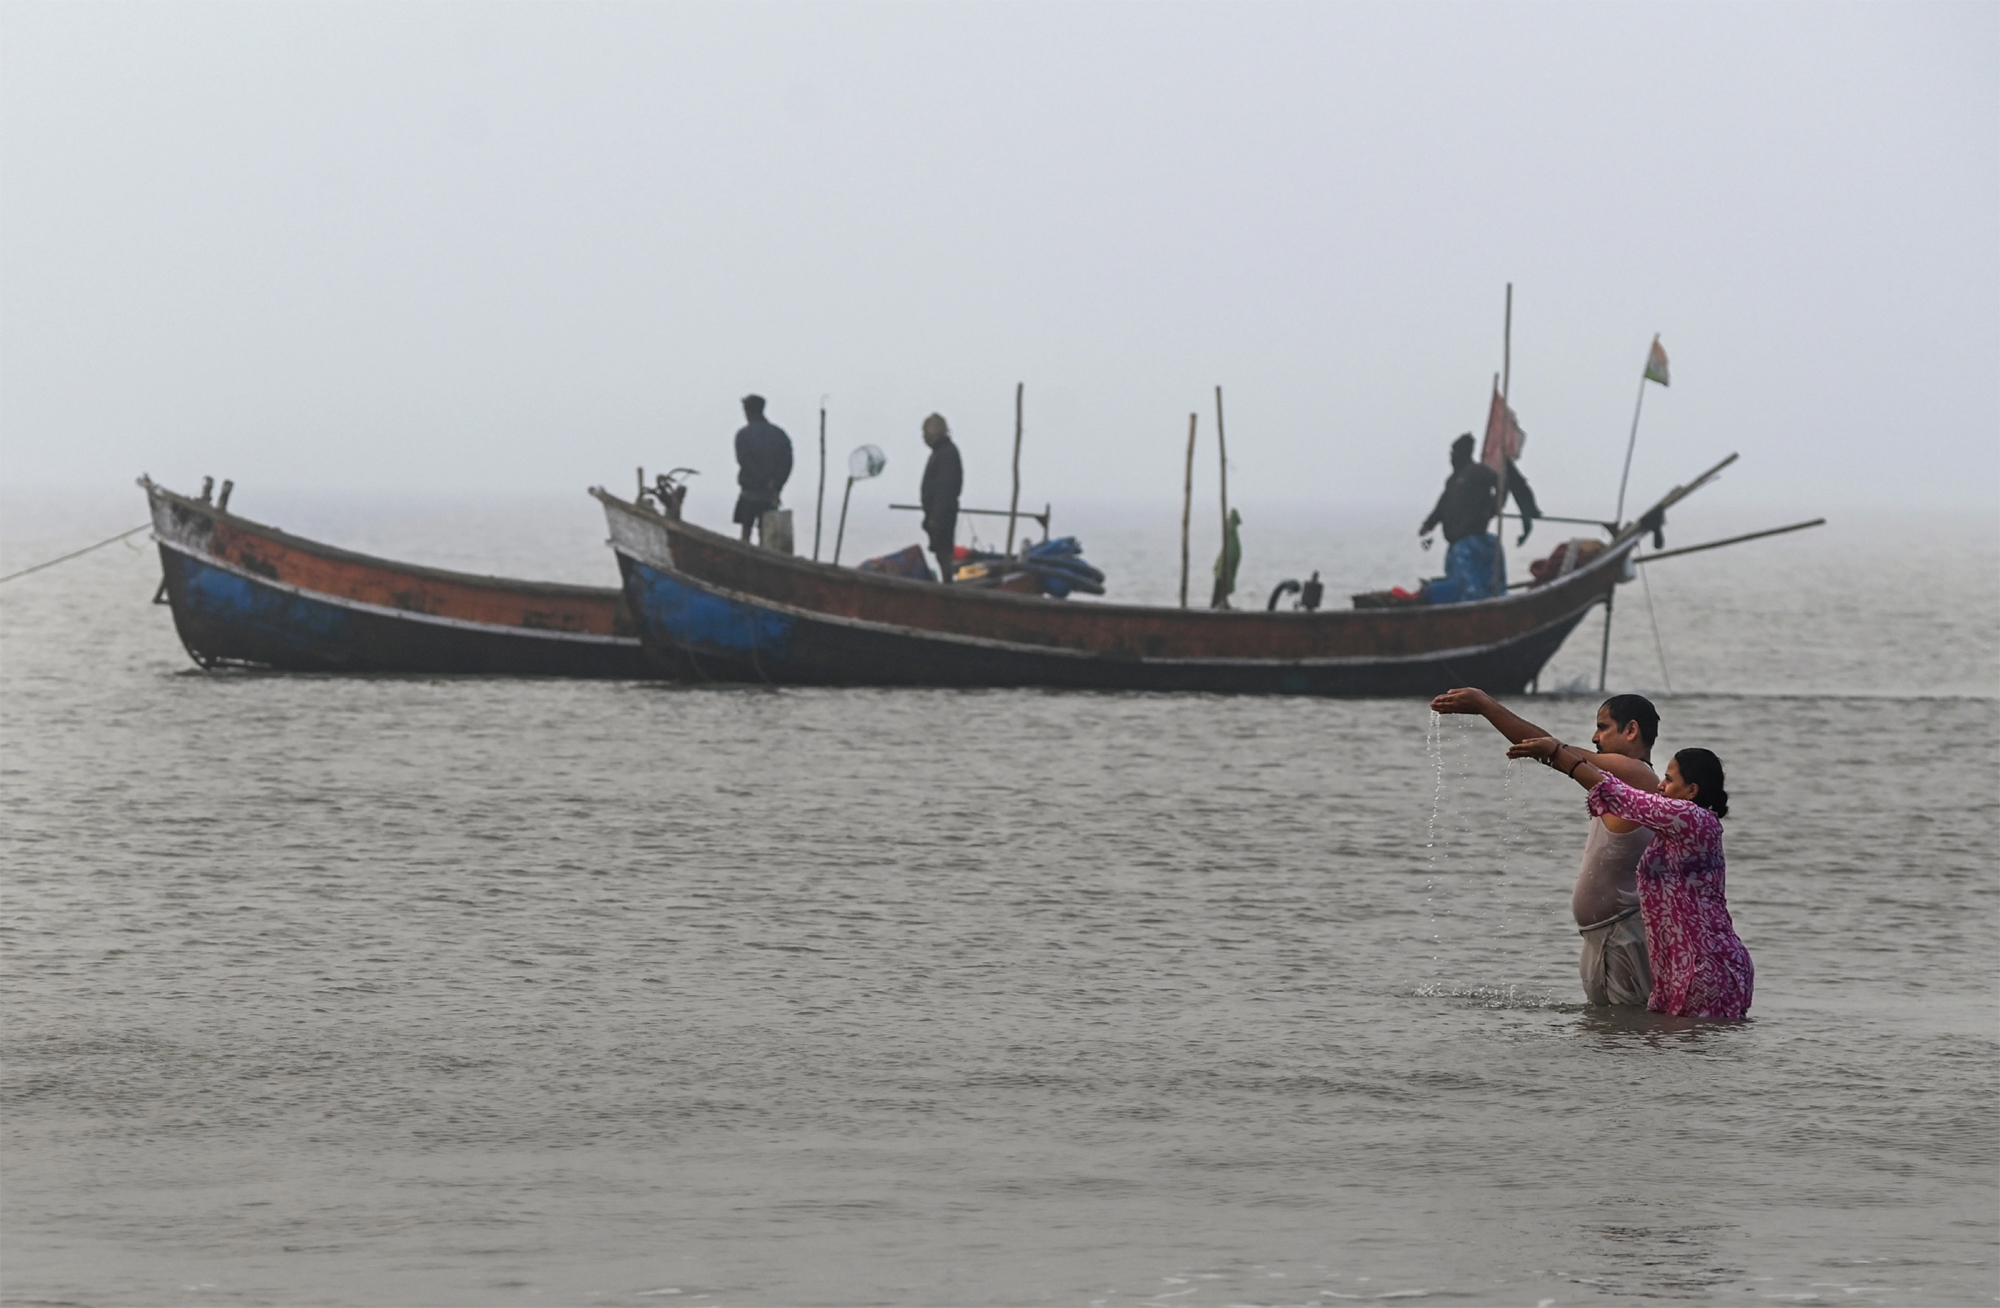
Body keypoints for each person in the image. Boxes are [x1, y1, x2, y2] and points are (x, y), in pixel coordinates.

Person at [1430, 687, 1661, 1008]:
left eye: (1603, 727)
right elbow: (1559, 752)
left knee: (1626, 1037)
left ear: (1632, 730)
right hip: (1604, 936)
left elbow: (1558, 752)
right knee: (1607, 1037)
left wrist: (1487, 706)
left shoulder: (1638, 775)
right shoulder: (1619, 784)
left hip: (1623, 935)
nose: (1595, 737)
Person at [1505, 735, 1753, 1020]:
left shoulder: (1690, 818)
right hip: (1688, 962)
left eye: (1669, 780)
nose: (1660, 785)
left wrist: (1558, 753)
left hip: (1705, 967)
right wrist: (1560, 756)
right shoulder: (1686, 824)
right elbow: (1621, 790)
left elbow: (1621, 795)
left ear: (1691, 790)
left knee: (1683, 1057)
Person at [1417, 434, 1540, 601]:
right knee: (1457, 586)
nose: (1451, 456)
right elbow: (1442, 505)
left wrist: (1496, 506)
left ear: (1463, 452)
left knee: (1473, 590)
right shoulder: (1453, 480)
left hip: (1471, 541)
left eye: (1453, 452)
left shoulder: (1477, 472)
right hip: (1455, 543)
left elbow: (1501, 483)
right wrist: (1429, 524)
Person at [732, 395, 793, 543]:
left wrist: (765, 481)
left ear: (748, 411)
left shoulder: (743, 435)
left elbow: (744, 461)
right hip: (770, 493)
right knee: (768, 535)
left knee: (745, 534)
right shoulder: (779, 435)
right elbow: (787, 463)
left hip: (750, 493)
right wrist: (776, 483)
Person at [919, 413, 962, 583]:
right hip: (937, 513)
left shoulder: (946, 453)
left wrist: (936, 517)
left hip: (942, 514)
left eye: (925, 433)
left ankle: (947, 584)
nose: (923, 438)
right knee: (941, 553)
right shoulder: (941, 452)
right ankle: (947, 582)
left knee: (943, 553)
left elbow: (945, 489)